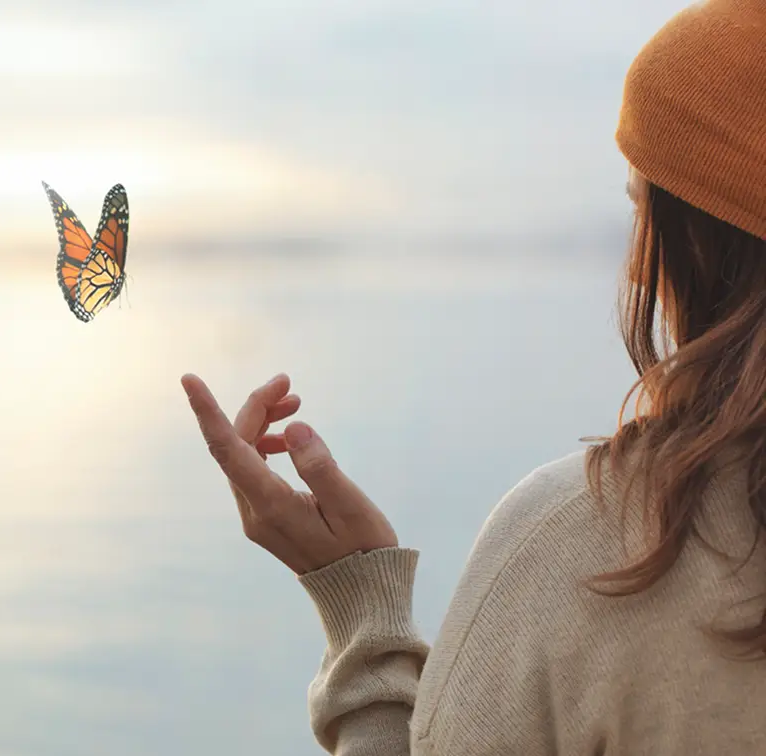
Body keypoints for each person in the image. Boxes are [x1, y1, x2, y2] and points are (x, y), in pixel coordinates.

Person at [180, 0, 766, 752]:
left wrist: (363, 609)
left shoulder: (593, 550)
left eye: (642, 214)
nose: (634, 266)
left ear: (697, 242)